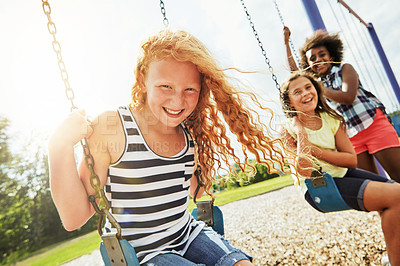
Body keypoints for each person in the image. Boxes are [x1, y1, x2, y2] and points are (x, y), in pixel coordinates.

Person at [48, 29, 288, 265]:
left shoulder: (190, 132)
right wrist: (59, 146)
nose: (177, 101)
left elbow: (197, 192)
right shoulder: (112, 127)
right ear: (142, 80)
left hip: (189, 235)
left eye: (189, 89)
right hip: (143, 255)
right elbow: (74, 218)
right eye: (166, 86)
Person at [279, 71, 400, 266]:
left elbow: (351, 160)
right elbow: (303, 170)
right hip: (319, 186)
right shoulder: (287, 128)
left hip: (344, 173)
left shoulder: (331, 119)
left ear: (316, 90)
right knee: (395, 196)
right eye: (297, 92)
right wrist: (300, 130)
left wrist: (316, 150)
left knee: (395, 196)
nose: (305, 93)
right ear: (290, 102)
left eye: (308, 87)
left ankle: (395, 254)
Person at [283, 26, 400, 183]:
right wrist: (286, 43)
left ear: (331, 56)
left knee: (397, 173)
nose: (317, 59)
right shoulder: (314, 85)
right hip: (350, 135)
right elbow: (295, 73)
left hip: (372, 123)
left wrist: (319, 88)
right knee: (373, 183)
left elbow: (348, 97)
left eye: (322, 55)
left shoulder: (344, 69)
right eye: (312, 58)